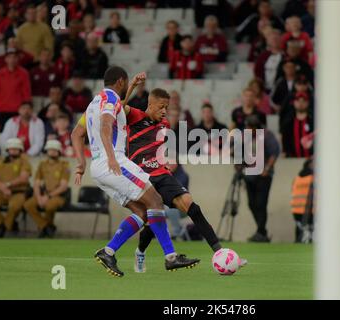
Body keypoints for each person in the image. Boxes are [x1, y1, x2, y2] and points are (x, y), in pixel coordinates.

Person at [75, 87, 247, 273]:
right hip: (138, 173)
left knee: (191, 206)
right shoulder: (135, 116)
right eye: (161, 106)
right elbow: (117, 108)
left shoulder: (165, 124)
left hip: (160, 174)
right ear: (150, 104)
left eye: (167, 107)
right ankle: (141, 252)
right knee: (151, 216)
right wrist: (132, 87)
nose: (164, 111)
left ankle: (221, 253)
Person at [71, 67, 199, 277]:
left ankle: (108, 251)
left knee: (142, 211)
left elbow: (76, 134)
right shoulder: (111, 101)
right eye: (126, 82)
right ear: (120, 81)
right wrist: (112, 157)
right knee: (156, 201)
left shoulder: (95, 103)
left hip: (98, 167)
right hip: (114, 162)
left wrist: (80, 164)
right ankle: (171, 257)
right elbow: (106, 125)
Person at [243, 115, 280, 242]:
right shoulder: (245, 136)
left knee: (261, 203)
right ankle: (262, 231)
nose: (247, 129)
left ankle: (260, 231)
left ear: (255, 127)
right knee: (251, 203)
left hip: (263, 175)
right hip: (249, 174)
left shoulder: (266, 135)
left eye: (249, 127)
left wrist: (267, 169)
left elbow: (275, 152)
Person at [0, 138, 31, 238]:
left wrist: (8, 185)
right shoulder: (0, 161)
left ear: (20, 150)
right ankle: (3, 224)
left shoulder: (24, 161)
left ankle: (4, 228)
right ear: (7, 150)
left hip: (19, 192)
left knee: (14, 207)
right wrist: (3, 188)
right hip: (2, 192)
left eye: (16, 149)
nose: (13, 151)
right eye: (11, 149)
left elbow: (24, 178)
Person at [23, 140, 70, 238]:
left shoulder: (64, 164)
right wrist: (39, 197)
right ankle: (46, 227)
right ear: (46, 151)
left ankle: (44, 229)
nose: (52, 152)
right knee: (28, 205)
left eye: (54, 150)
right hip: (43, 193)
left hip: (58, 195)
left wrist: (47, 196)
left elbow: (63, 186)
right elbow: (36, 183)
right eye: (50, 150)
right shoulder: (42, 164)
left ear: (59, 151)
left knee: (49, 206)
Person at [0, 49, 32, 131]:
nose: (12, 60)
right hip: (2, 110)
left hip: (18, 111)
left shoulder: (24, 73)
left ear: (17, 59)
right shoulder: (0, 73)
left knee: (18, 134)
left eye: (14, 57)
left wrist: (27, 108)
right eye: (9, 57)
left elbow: (27, 92)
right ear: (5, 59)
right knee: (2, 133)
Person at [281, 91, 314, 158]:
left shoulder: (313, 121)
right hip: (293, 161)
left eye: (303, 101)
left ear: (307, 103)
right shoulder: (288, 122)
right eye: (298, 101)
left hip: (312, 160)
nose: (300, 103)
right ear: (294, 103)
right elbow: (285, 142)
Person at [290, 158, 314, 243]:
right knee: (310, 232)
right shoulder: (314, 178)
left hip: (296, 211)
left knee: (300, 231)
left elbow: (292, 192)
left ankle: (298, 241)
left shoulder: (297, 178)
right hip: (310, 210)